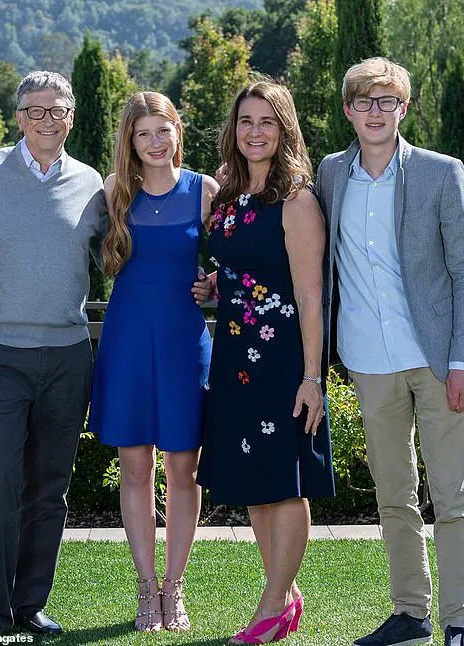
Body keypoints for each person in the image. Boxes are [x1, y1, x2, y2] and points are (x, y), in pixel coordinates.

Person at [0, 72, 213, 635]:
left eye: (57, 110)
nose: (46, 120)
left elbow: (216, 250)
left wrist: (214, 281)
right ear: (18, 116)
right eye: (35, 110)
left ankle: (30, 606)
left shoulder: (94, 185)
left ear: (72, 117)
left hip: (70, 351)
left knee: (51, 486)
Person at [317, 57, 464, 646]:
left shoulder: (441, 172)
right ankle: (410, 615)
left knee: (453, 496)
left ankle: (459, 618)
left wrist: (461, 360)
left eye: (387, 101)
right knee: (393, 496)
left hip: (437, 361)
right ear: (348, 110)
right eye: (364, 102)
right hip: (368, 361)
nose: (375, 112)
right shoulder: (330, 174)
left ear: (403, 108)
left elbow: (463, 272)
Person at [196, 77, 335, 644]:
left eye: (267, 122)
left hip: (281, 362)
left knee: (285, 480)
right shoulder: (228, 193)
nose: (255, 132)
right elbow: (240, 268)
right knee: (254, 483)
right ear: (234, 129)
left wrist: (312, 378)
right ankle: (284, 593)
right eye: (246, 121)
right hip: (233, 359)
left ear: (284, 129)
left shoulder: (296, 201)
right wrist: (216, 286)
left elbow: (310, 295)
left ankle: (273, 604)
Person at [88, 91, 218, 632]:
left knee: (184, 469)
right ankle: (146, 589)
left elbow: (234, 262)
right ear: (131, 141)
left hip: (184, 342)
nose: (155, 141)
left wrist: (214, 283)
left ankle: (175, 587)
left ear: (177, 131)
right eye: (143, 133)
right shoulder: (115, 191)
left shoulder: (205, 190)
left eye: (163, 130)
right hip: (128, 342)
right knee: (135, 468)